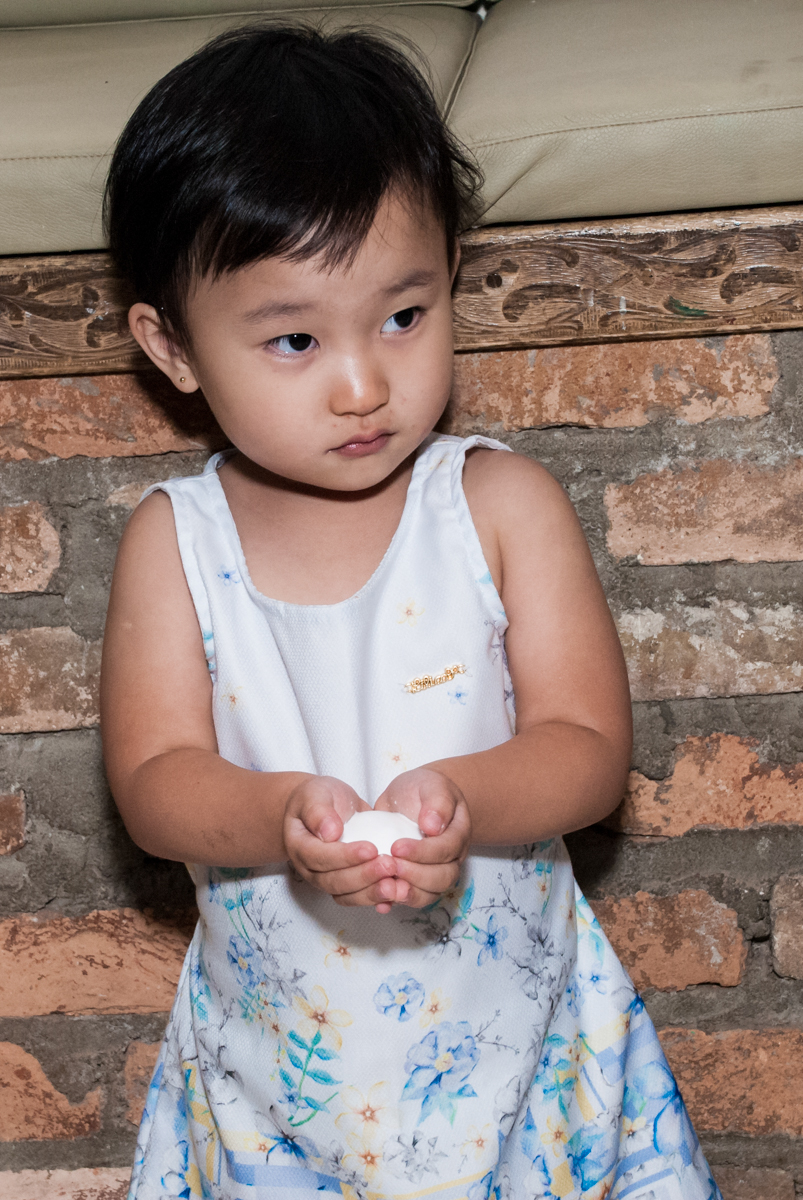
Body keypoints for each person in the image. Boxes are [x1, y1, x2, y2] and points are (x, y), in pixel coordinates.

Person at [101, 23, 720, 1200]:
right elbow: (153, 781)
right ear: (171, 346)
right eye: (293, 338)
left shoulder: (495, 505)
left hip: (517, 1052)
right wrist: (280, 815)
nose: (362, 384)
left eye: (402, 315)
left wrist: (466, 799)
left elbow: (587, 750)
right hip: (280, 1085)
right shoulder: (175, 544)